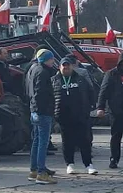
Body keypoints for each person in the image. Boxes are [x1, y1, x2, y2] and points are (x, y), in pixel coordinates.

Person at [54, 55, 98, 175]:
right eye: (64, 67)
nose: (66, 69)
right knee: (67, 142)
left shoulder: (80, 79)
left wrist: (90, 107)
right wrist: (55, 114)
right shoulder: (54, 80)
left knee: (85, 141)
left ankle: (88, 164)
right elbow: (50, 97)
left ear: (72, 67)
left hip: (81, 115)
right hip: (64, 117)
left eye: (68, 67)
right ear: (60, 67)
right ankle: (70, 164)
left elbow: (90, 92)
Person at [26, 49, 57, 184]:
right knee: (42, 142)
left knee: (37, 140)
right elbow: (40, 93)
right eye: (51, 59)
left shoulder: (33, 69)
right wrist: (42, 109)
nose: (53, 61)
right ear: (46, 60)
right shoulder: (43, 72)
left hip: (34, 110)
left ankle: (35, 169)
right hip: (42, 111)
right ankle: (41, 173)